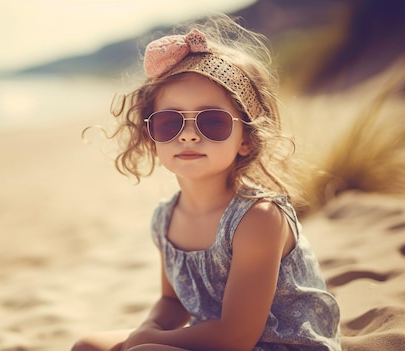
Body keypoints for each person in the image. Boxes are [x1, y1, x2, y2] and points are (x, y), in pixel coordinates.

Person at [73, 16, 341, 351]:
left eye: (211, 121)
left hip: (277, 344)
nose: (187, 134)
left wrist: (151, 341)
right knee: (88, 346)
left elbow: (237, 337)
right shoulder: (165, 218)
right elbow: (173, 302)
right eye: (170, 121)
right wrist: (150, 327)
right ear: (151, 134)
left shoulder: (257, 218)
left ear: (246, 138)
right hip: (211, 338)